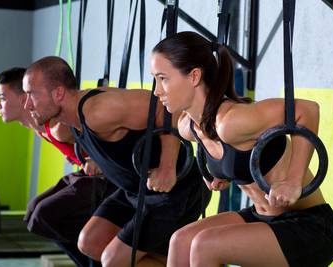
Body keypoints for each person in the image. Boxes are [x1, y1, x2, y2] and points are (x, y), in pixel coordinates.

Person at [150, 31, 333, 267]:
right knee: (181, 240)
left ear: (194, 76)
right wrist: (218, 173)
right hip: (261, 216)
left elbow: (307, 110)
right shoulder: (188, 127)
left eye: (163, 78)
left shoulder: (231, 121)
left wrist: (293, 180)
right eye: (155, 80)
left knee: (205, 245)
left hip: (310, 226)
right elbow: (234, 156)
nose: (156, 90)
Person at [22, 56, 210, 267]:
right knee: (90, 242)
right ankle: (188, 261)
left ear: (58, 93)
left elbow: (166, 108)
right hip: (135, 192)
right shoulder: (71, 122)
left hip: (175, 192)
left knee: (112, 261)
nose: (26, 104)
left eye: (31, 95)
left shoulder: (98, 110)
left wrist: (167, 167)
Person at [0, 67, 117, 267]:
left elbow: (103, 134)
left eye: (2, 98)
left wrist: (97, 159)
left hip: (107, 178)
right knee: (32, 213)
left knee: (44, 215)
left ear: (21, 98)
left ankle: (98, 255)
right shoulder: (39, 128)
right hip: (87, 175)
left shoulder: (58, 127)